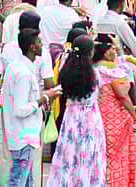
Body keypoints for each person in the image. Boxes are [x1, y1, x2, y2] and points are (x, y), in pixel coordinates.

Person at [2, 29, 62, 187]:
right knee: (19, 181)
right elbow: (20, 109)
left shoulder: (18, 67)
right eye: (39, 42)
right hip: (24, 137)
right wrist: (44, 98)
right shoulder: (22, 73)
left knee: (26, 181)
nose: (42, 45)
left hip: (23, 135)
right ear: (32, 47)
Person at [46, 36, 107, 187]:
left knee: (69, 157)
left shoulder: (66, 71)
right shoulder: (95, 74)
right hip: (90, 119)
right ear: (90, 52)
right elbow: (101, 93)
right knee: (89, 157)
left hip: (71, 118)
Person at [93, 36, 136, 187]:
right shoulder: (111, 70)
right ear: (105, 52)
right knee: (116, 158)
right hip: (115, 120)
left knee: (105, 157)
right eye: (113, 48)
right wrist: (135, 117)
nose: (115, 51)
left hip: (101, 117)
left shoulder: (94, 67)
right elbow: (122, 95)